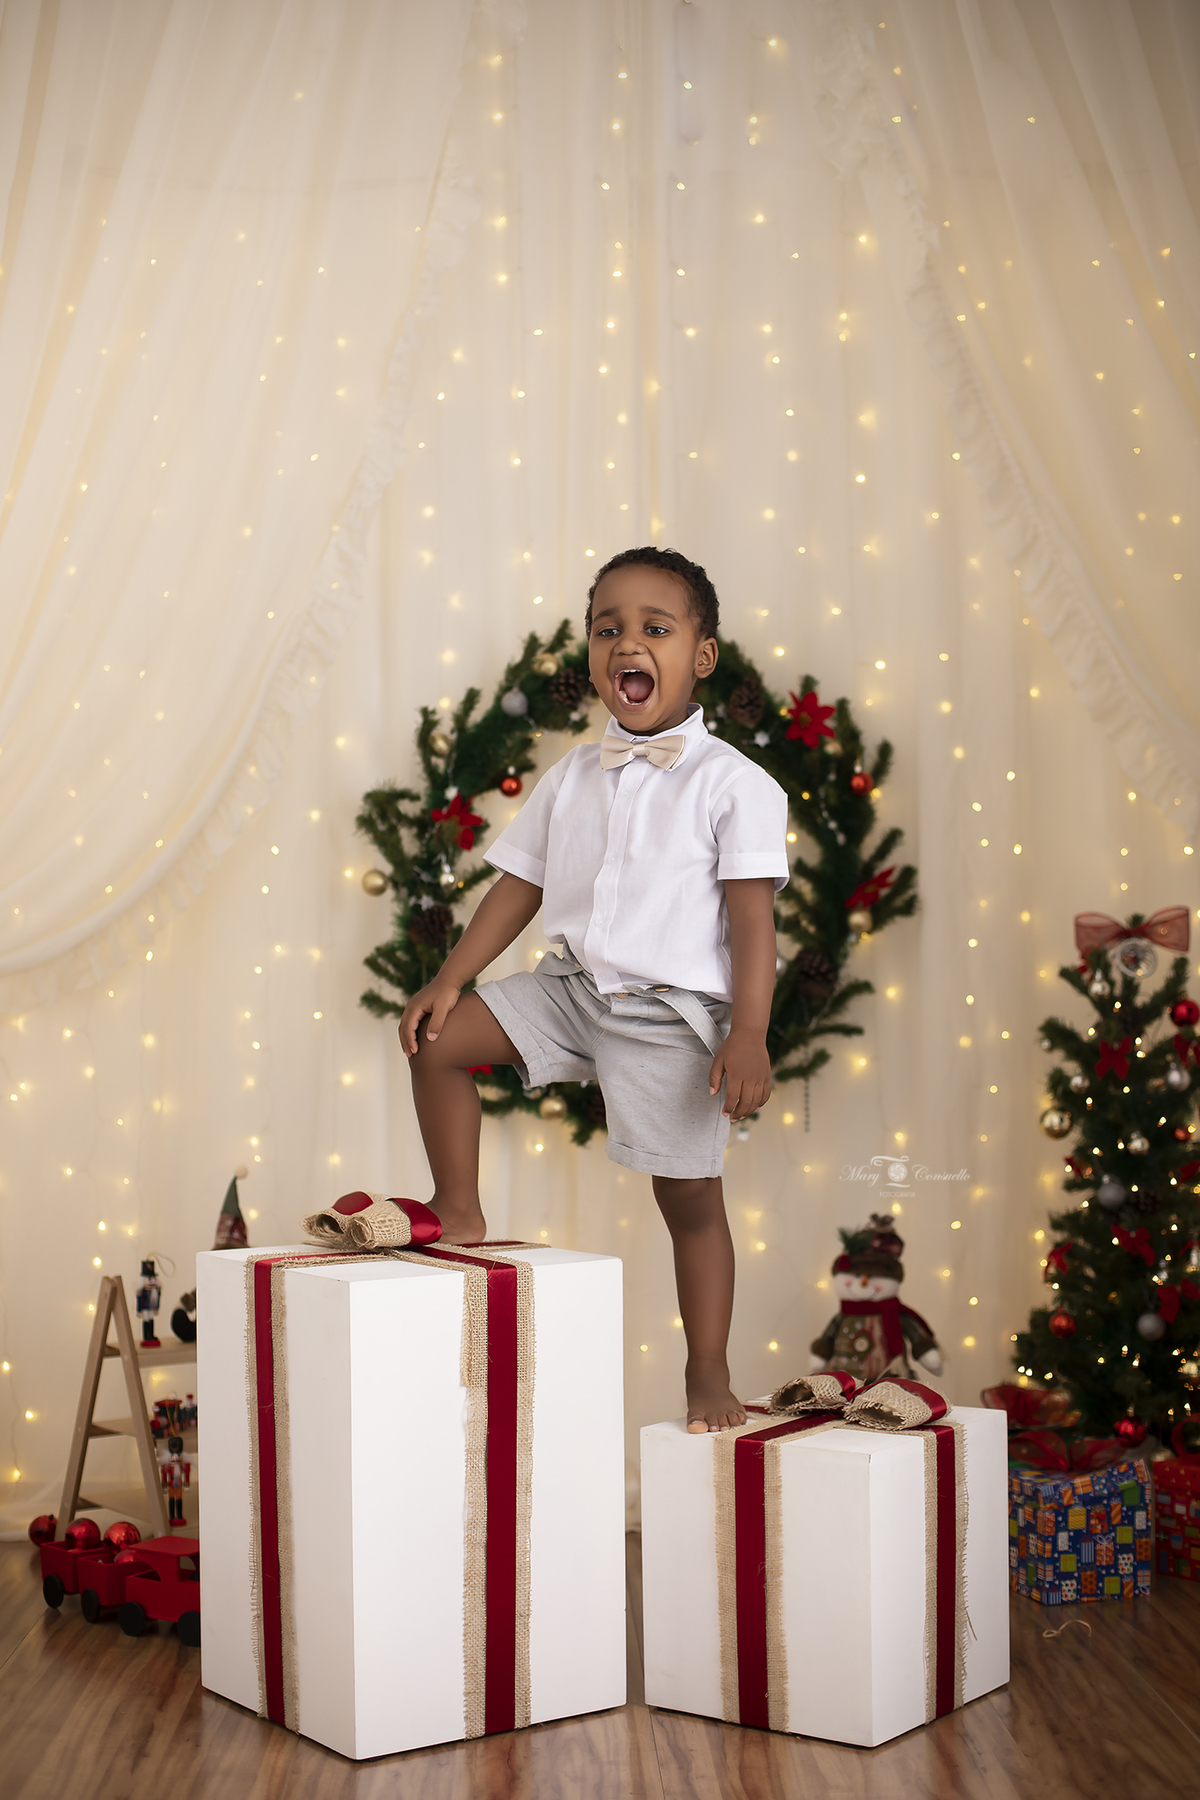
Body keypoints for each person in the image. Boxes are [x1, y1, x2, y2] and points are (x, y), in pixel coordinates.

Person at [399, 547, 788, 1432]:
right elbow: (519, 887)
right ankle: (457, 1210)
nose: (627, 644)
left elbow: (754, 924)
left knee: (689, 1203)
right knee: (436, 1040)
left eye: (656, 627)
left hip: (664, 1017)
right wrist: (450, 979)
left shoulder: (736, 787)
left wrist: (752, 1032)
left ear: (701, 654)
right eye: (608, 628)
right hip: (573, 989)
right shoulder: (573, 774)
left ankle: (708, 1374)